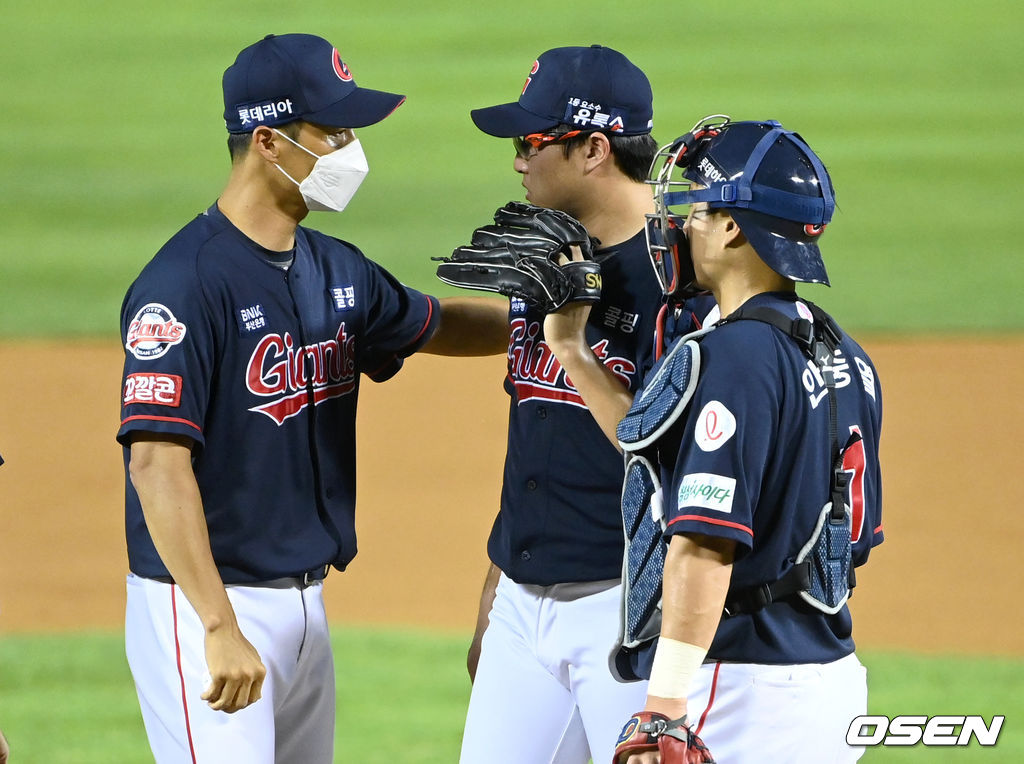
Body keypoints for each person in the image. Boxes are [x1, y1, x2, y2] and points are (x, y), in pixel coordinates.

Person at [117, 33, 496, 763]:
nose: (352, 150)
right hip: (206, 603)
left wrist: (542, 324)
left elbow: (435, 323)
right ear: (268, 140)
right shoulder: (184, 285)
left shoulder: (332, 266)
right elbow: (156, 465)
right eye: (334, 131)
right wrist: (218, 625)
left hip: (305, 605)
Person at [546, 117, 883, 763]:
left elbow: (704, 543)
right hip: (826, 675)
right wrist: (574, 350)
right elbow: (850, 543)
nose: (680, 227)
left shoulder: (735, 357)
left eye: (696, 210)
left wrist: (665, 710)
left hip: (741, 689)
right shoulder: (844, 353)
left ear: (733, 226)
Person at [453, 46, 711, 764]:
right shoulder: (552, 258)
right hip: (523, 603)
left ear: (595, 148)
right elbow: (536, 443)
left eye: (529, 143)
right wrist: (498, 595)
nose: (516, 161)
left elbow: (682, 460)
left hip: (629, 610)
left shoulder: (683, 281)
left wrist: (576, 348)